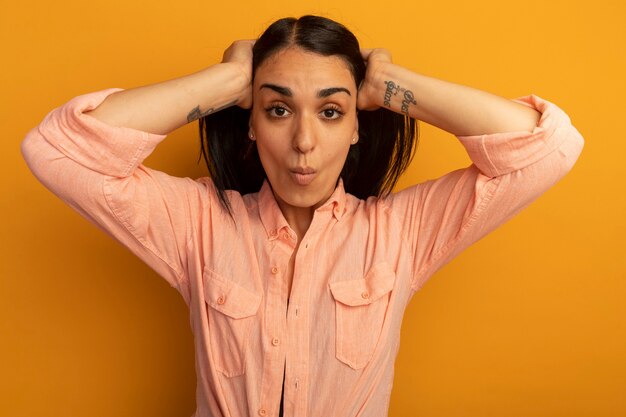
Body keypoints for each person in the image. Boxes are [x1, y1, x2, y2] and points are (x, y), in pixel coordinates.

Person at [21, 14, 583, 417]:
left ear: (358, 124)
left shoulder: (402, 233)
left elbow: (550, 146)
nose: (304, 141)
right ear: (250, 121)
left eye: (332, 111)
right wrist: (225, 81)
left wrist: (391, 83)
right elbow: (56, 151)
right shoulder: (198, 222)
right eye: (278, 109)